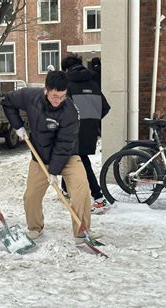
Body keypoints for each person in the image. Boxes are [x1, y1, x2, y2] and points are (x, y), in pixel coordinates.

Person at [2, 71, 91, 242]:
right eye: (54, 96)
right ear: (46, 90)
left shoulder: (70, 112)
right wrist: (17, 125)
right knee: (31, 196)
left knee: (81, 189)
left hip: (67, 156)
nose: (58, 101)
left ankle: (82, 231)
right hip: (40, 154)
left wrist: (54, 171)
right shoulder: (30, 96)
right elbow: (7, 102)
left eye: (62, 96)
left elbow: (64, 144)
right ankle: (35, 228)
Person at [60, 54, 111, 214]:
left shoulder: (66, 84)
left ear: (66, 69)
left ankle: (99, 198)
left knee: (81, 161)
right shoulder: (93, 83)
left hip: (73, 130)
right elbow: (106, 107)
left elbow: (62, 109)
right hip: (90, 130)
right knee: (71, 157)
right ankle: (66, 190)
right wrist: (93, 120)